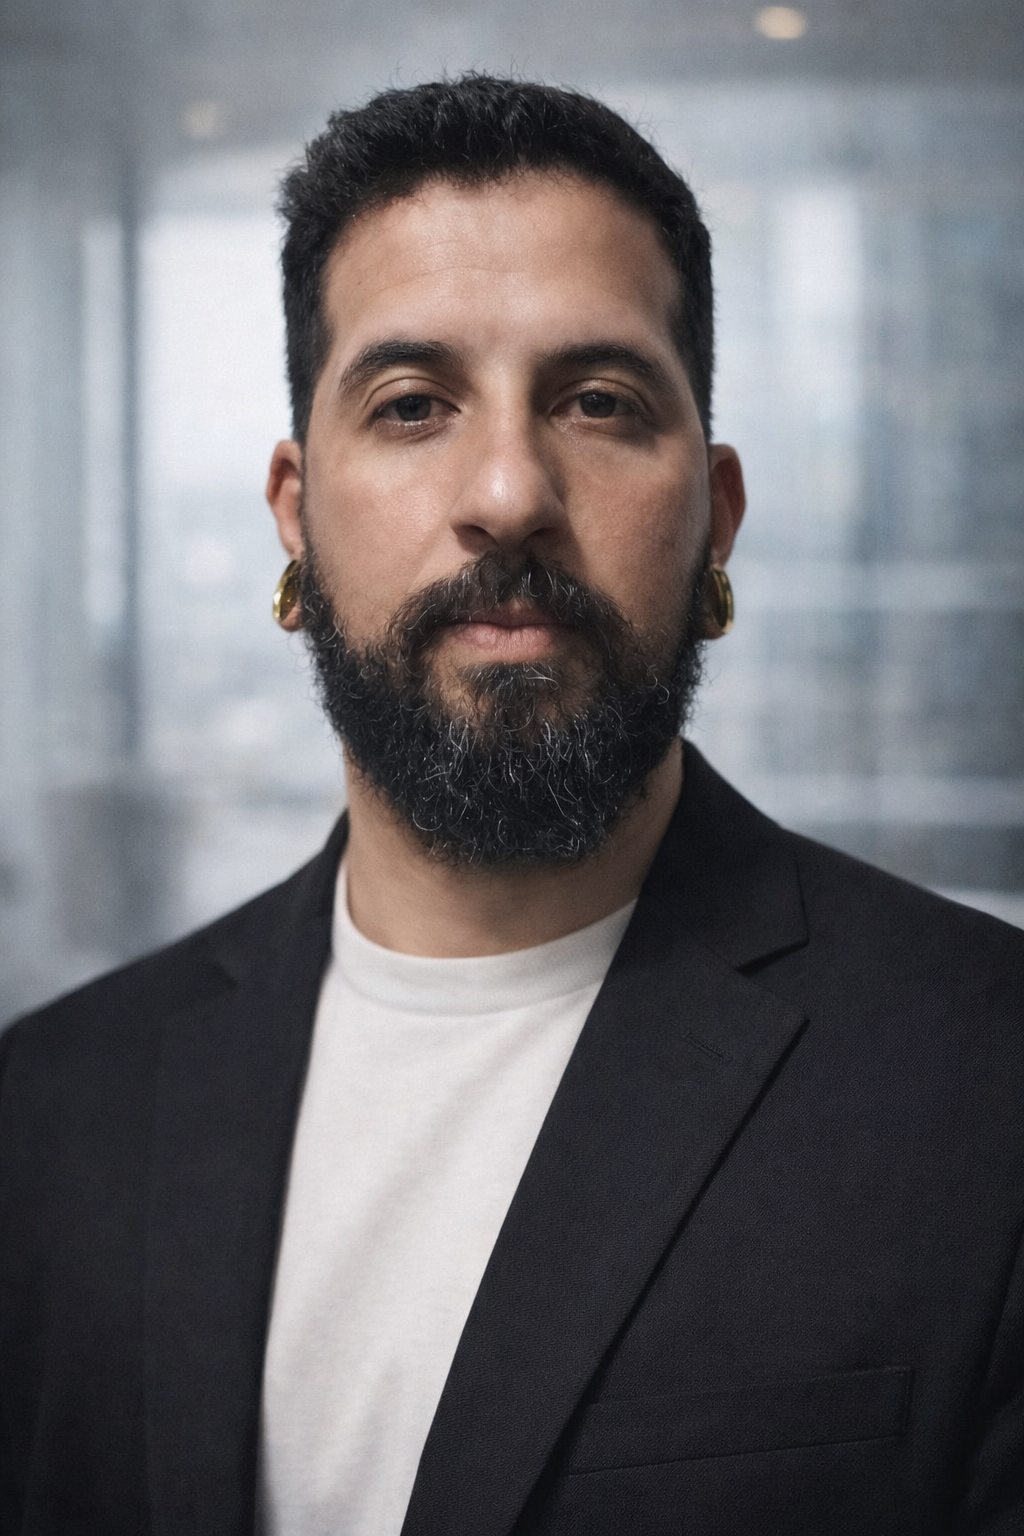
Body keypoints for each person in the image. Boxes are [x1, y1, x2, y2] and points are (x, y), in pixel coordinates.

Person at [1, 74, 1022, 1536]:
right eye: (412, 405)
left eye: (598, 403)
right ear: (295, 511)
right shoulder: (50, 1115)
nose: (507, 491)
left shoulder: (987, 1084)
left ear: (717, 516)